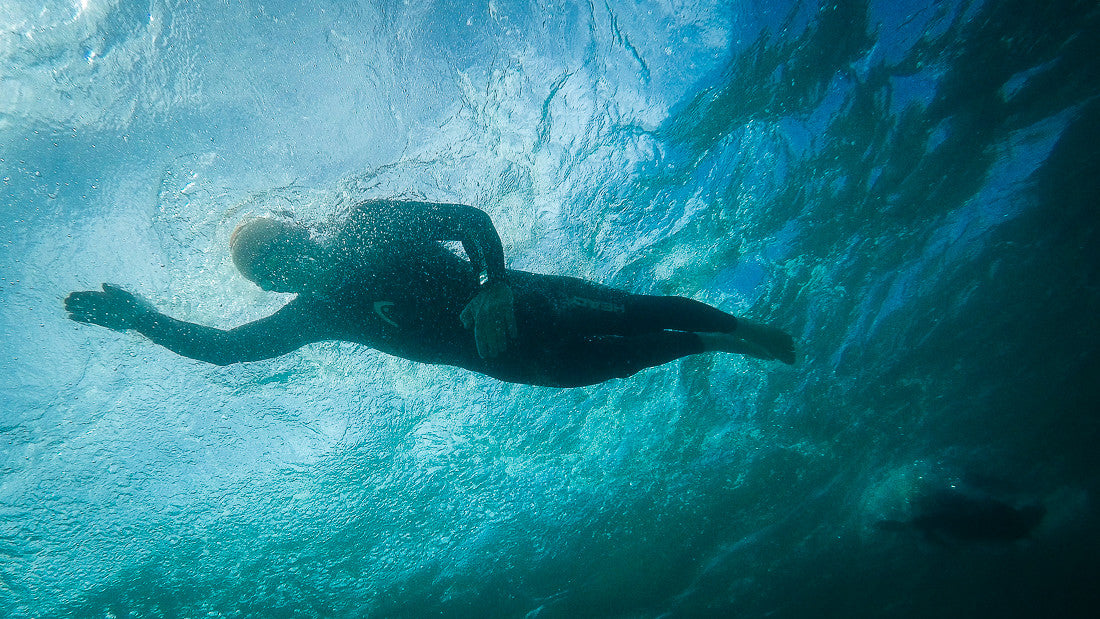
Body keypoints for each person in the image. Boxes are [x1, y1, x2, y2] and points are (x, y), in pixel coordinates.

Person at [64, 200, 795, 387]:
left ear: (300, 230)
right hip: (518, 366)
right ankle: (715, 342)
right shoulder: (320, 313)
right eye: (266, 275)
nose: (281, 272)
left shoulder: (367, 226)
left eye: (279, 250)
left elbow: (468, 219)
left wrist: (494, 282)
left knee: (634, 311)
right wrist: (141, 319)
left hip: (535, 302)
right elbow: (227, 350)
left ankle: (740, 326)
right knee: (627, 360)